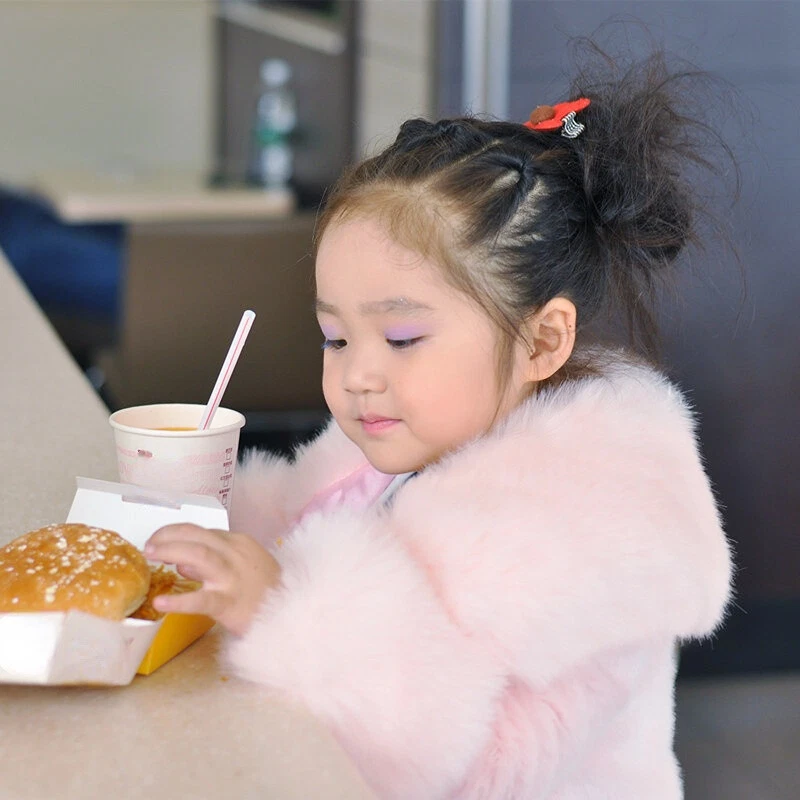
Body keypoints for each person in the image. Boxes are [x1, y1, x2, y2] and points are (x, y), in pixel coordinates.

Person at [145, 48, 734, 799]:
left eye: (400, 340)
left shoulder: (589, 544)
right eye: (336, 338)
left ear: (543, 341)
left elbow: (475, 771)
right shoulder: (402, 448)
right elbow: (302, 530)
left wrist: (284, 614)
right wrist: (209, 529)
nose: (358, 372)